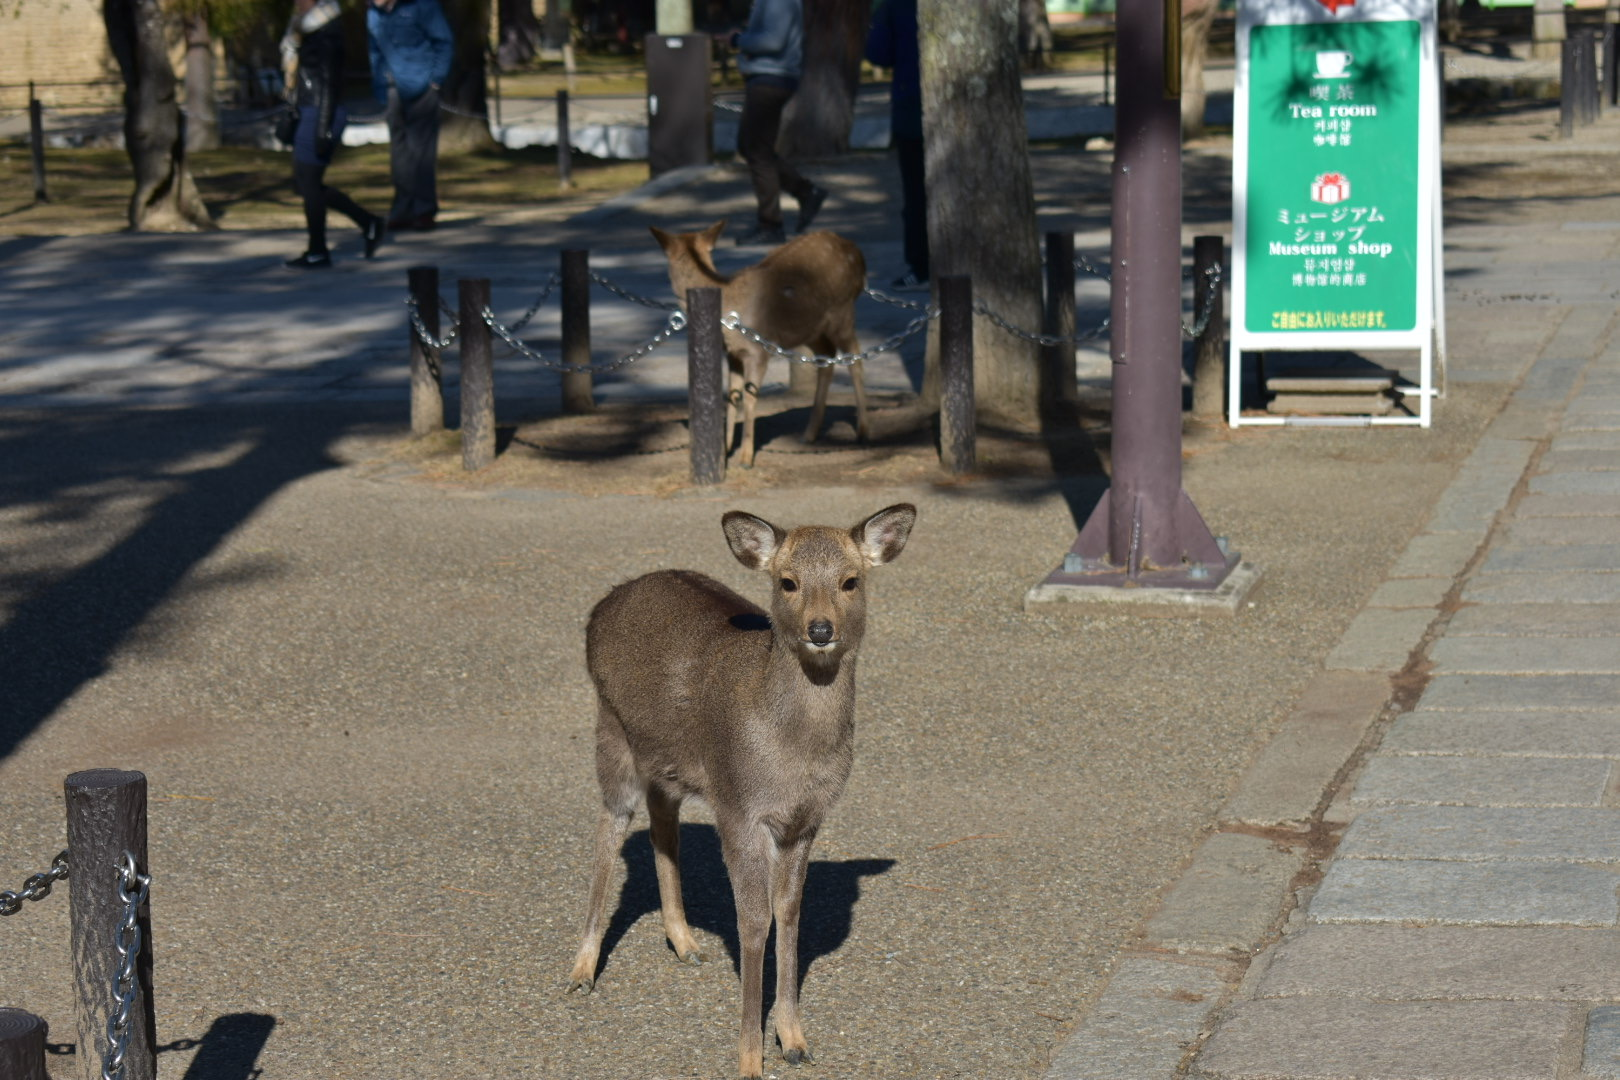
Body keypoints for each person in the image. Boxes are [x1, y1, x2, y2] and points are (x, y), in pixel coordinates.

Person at [283, 0, 384, 269]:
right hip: (309, 109)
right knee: (305, 184)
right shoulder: (305, 30)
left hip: (320, 112)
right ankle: (368, 222)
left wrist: (323, 127)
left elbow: (328, 83)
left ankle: (318, 250)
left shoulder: (327, 32)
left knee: (308, 183)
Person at [728, 0, 827, 246]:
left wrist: (738, 40)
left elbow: (773, 41)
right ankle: (804, 192)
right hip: (770, 77)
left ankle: (771, 223)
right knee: (752, 146)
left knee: (757, 150)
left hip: (771, 78)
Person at [368, 0, 454, 232]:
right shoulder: (374, 13)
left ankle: (424, 209)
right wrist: (379, 82)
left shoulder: (423, 6)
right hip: (392, 86)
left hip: (421, 84)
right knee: (399, 150)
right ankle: (402, 208)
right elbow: (375, 48)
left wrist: (436, 79)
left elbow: (443, 42)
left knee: (421, 151)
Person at [865, 0, 928, 290]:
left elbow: (878, 53)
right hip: (955, 107)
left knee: (916, 194)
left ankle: (921, 265)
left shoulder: (896, 5)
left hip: (912, 108)